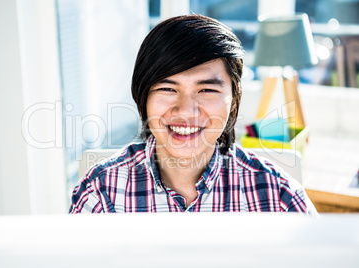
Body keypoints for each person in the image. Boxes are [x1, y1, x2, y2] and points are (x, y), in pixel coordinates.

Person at [69, 14, 317, 215]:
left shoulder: (278, 195)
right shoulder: (101, 192)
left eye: (206, 89)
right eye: (167, 89)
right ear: (143, 96)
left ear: (233, 100)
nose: (186, 111)